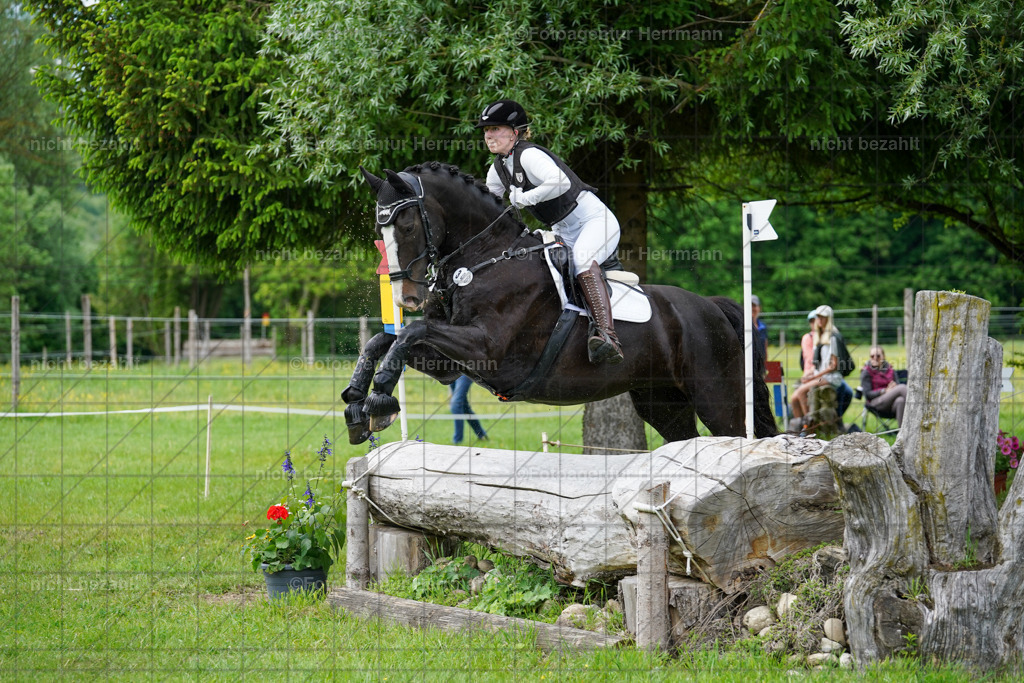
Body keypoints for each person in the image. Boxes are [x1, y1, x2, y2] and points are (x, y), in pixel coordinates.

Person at [476, 99, 623, 364]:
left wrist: (525, 198)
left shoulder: (529, 155)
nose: (488, 135)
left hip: (594, 221)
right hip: (563, 230)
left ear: (515, 132)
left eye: (496, 129)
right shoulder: (497, 170)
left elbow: (560, 182)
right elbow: (488, 209)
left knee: (580, 262)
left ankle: (607, 336)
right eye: (486, 130)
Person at [789, 305, 853, 425]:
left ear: (828, 319)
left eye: (822, 317)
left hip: (831, 377)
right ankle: (803, 425)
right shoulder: (820, 336)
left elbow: (833, 366)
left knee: (801, 392)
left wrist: (813, 377)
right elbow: (818, 364)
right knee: (795, 397)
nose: (819, 320)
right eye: (818, 317)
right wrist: (808, 374)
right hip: (820, 375)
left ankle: (809, 426)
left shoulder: (833, 337)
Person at [860, 346, 907, 427]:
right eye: (872, 356)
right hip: (875, 403)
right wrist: (884, 391)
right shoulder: (866, 372)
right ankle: (922, 409)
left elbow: (897, 385)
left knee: (900, 400)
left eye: (878, 356)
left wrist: (894, 386)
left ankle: (903, 434)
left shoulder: (891, 369)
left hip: (891, 403)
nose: (875, 358)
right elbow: (867, 394)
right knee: (902, 387)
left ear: (883, 356)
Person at [450, 375, 488, 445]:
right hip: (452, 371)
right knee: (464, 407)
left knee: (455, 405)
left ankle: (457, 441)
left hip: (464, 372)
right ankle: (481, 434)